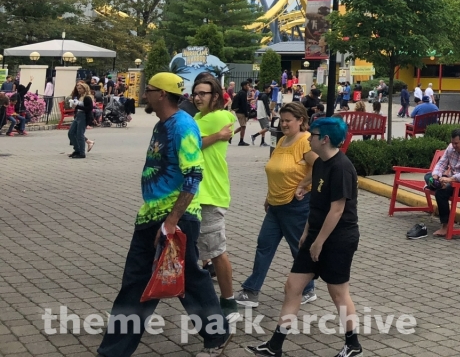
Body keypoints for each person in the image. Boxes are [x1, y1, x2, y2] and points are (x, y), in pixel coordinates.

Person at [98, 72, 231, 357]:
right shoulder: (162, 124)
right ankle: (114, 349)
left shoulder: (182, 126)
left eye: (149, 90)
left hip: (175, 218)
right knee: (141, 282)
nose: (144, 94)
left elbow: (194, 176)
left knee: (187, 280)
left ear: (162, 94)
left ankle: (217, 334)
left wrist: (171, 222)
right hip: (151, 216)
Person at [245, 117, 361, 357]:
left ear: (325, 139)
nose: (309, 137)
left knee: (338, 292)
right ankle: (275, 345)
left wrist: (319, 242)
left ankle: (353, 345)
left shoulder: (342, 167)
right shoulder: (320, 163)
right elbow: (316, 204)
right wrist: (308, 232)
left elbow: (337, 209)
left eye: (314, 134)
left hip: (339, 238)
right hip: (316, 234)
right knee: (293, 286)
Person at [236, 102, 318, 308]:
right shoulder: (282, 141)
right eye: (281, 120)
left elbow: (320, 166)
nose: (283, 124)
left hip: (295, 206)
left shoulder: (306, 141)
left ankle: (308, 289)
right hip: (275, 205)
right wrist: (268, 196)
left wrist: (303, 185)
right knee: (264, 245)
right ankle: (251, 290)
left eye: (288, 121)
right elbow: (275, 171)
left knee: (297, 248)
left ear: (301, 121)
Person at [192, 72, 242, 324]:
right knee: (201, 251)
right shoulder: (199, 117)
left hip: (210, 194)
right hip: (194, 193)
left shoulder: (218, 117)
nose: (197, 97)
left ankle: (229, 301)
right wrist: (219, 137)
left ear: (216, 97)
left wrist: (220, 135)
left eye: (203, 93)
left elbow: (187, 142)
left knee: (217, 250)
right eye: (195, 93)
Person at [232, 80, 253, 146]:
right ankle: (241, 141)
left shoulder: (241, 92)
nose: (248, 87)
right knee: (243, 126)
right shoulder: (243, 93)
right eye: (247, 85)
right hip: (241, 112)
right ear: (244, 86)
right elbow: (244, 104)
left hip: (239, 111)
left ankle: (232, 136)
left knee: (242, 126)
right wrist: (246, 114)